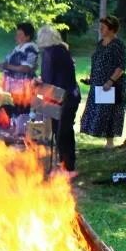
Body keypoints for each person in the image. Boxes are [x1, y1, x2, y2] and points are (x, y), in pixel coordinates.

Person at [80, 15, 126, 149]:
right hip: (98, 83)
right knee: (99, 113)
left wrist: (110, 81)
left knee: (109, 113)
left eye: (103, 27)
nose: (100, 29)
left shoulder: (118, 44)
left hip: (112, 84)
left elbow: (121, 66)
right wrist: (91, 78)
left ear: (112, 29)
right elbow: (97, 62)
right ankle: (106, 142)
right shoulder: (100, 44)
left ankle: (110, 143)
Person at [37, 26, 80, 171]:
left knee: (62, 132)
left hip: (63, 95)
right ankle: (64, 164)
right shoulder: (59, 50)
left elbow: (49, 77)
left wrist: (39, 84)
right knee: (60, 131)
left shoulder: (52, 52)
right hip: (62, 94)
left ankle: (67, 167)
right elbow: (50, 76)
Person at [0, 22, 39, 114]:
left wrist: (7, 66)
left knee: (23, 111)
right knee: (17, 109)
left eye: (20, 34)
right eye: (17, 34)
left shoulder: (30, 48)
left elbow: (25, 68)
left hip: (25, 87)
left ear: (27, 36)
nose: (17, 36)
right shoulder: (17, 48)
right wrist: (2, 66)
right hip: (16, 86)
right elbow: (10, 64)